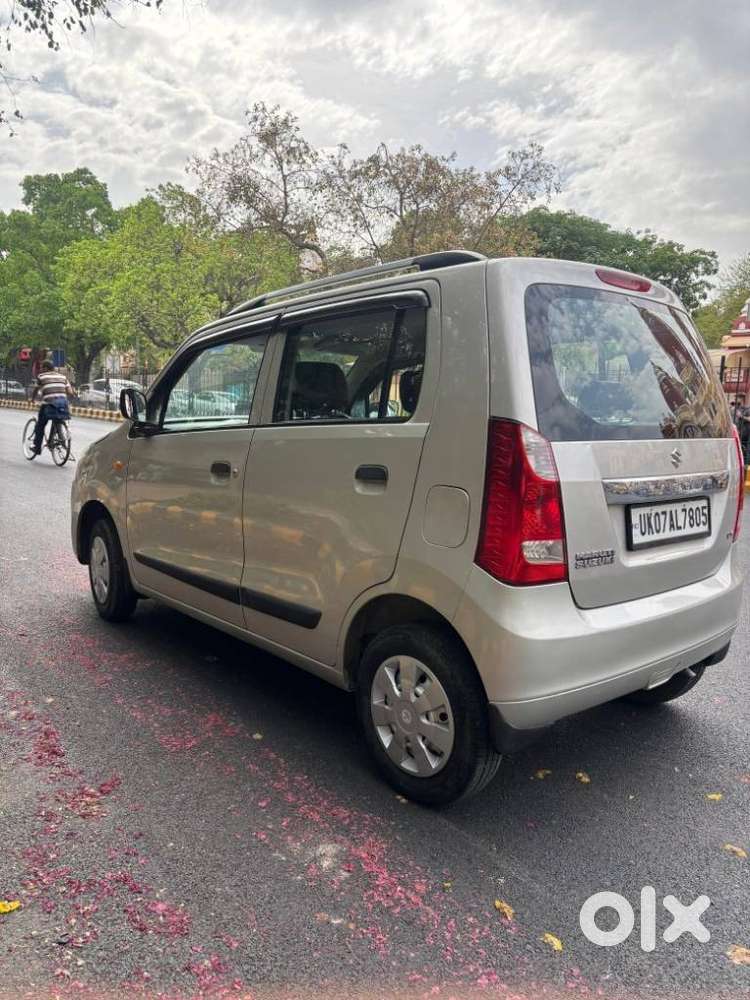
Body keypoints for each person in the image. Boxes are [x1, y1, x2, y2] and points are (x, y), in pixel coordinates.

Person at [30, 359, 74, 456]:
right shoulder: (63, 377)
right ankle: (57, 440)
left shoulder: (41, 376)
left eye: (42, 367)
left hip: (49, 405)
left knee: (40, 425)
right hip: (63, 404)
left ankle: (37, 448)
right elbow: (70, 392)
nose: (41, 370)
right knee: (57, 418)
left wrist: (32, 399)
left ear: (46, 368)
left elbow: (36, 389)